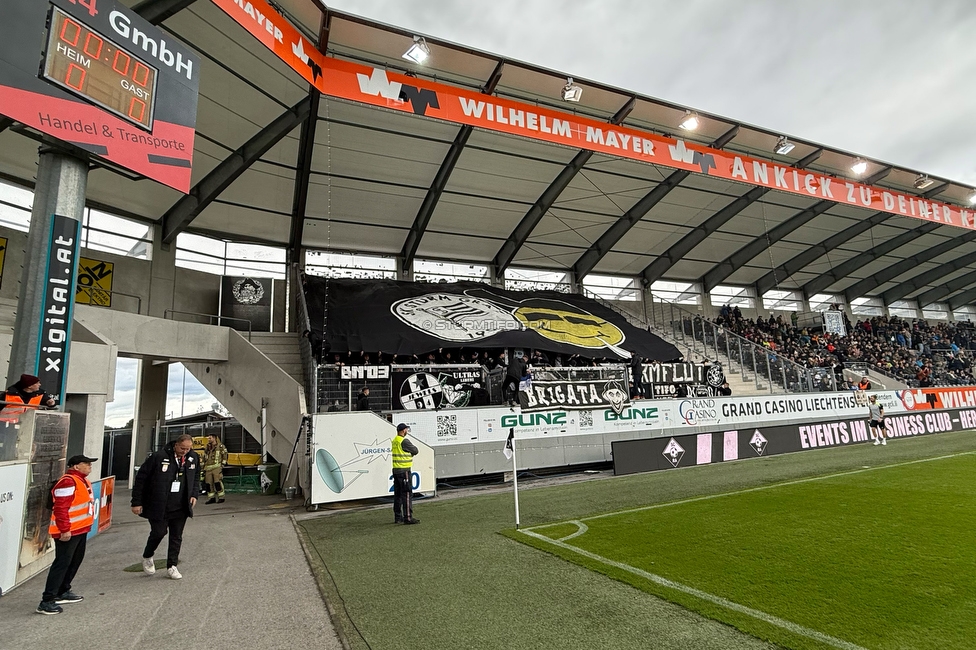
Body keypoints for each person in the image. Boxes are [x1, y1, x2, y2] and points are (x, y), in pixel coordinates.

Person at [131, 434, 201, 579]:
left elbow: (196, 476)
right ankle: (148, 555)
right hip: (159, 504)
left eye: (188, 449)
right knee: (159, 532)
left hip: (181, 504)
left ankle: (172, 565)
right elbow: (141, 479)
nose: (185, 451)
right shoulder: (159, 457)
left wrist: (194, 494)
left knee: (176, 536)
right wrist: (136, 502)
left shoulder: (192, 457)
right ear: (176, 445)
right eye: (182, 448)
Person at [36, 454, 96, 615]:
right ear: (76, 466)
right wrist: (64, 529)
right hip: (68, 531)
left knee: (74, 561)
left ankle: (63, 591)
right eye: (86, 463)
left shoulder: (81, 480)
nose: (90, 466)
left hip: (80, 529)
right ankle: (47, 600)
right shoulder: (68, 481)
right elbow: (61, 508)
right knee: (62, 563)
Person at [391, 424, 419, 524]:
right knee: (407, 494)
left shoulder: (395, 440)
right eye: (406, 429)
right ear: (403, 431)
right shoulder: (404, 441)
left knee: (397, 495)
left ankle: (398, 517)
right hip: (404, 471)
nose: (407, 430)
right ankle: (408, 517)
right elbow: (415, 450)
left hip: (396, 470)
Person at [202, 434, 228, 504]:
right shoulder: (207, 447)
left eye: (210, 438)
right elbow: (204, 457)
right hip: (208, 468)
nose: (209, 439)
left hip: (217, 467)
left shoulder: (220, 446)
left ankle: (221, 497)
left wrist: (222, 465)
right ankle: (211, 498)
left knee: (217, 482)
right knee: (208, 484)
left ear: (215, 438)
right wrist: (202, 468)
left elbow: (225, 455)